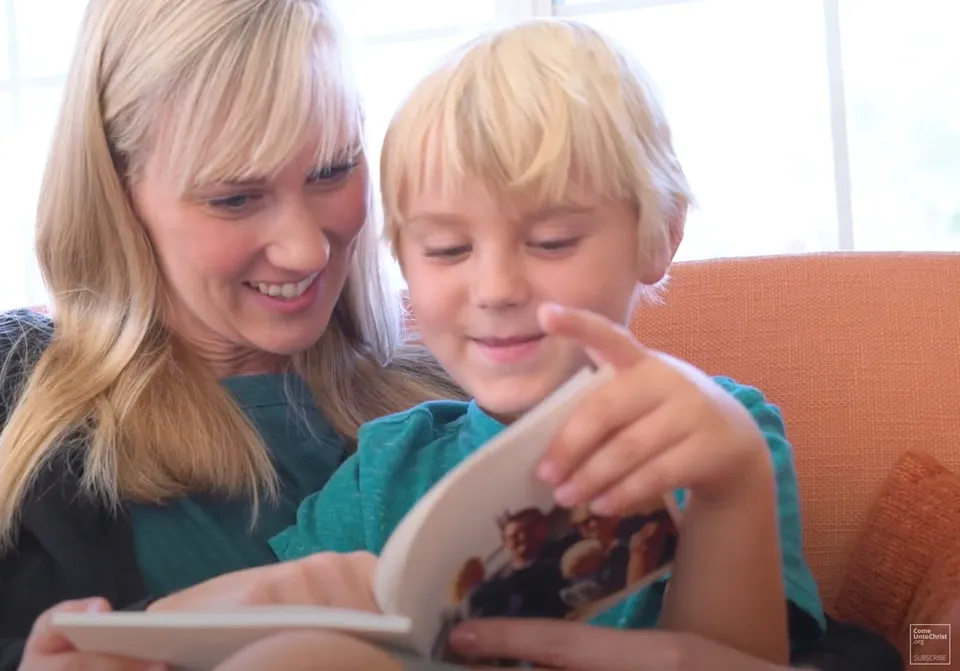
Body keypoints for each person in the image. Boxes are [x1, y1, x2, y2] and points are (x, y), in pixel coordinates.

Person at [0, 1, 466, 669]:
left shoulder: (454, 396)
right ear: (118, 193)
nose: (305, 250)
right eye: (234, 198)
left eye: (332, 170)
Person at [231, 16, 840, 670]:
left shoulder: (716, 435)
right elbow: (260, 623)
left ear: (659, 235)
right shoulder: (387, 466)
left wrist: (733, 485)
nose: (494, 288)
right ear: (405, 263)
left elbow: (741, 658)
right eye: (448, 249)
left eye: (552, 242)